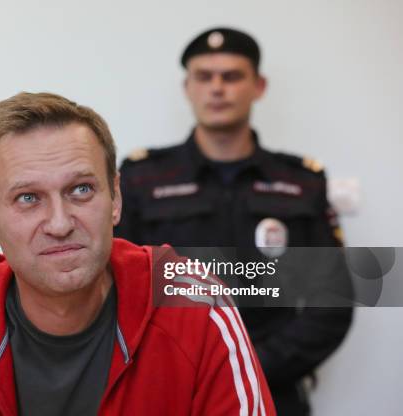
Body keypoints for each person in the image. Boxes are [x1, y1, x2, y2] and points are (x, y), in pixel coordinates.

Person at [0, 92, 275, 415]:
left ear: (116, 198)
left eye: (81, 190)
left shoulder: (193, 302)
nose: (60, 222)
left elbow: (329, 296)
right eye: (28, 198)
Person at [115, 28, 353, 415]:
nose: (217, 88)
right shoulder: (143, 178)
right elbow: (120, 290)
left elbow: (332, 302)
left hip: (275, 390)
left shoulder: (300, 182)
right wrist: (184, 365)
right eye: (205, 77)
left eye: (232, 76)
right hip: (173, 391)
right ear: (187, 87)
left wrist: (252, 363)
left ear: (258, 86)